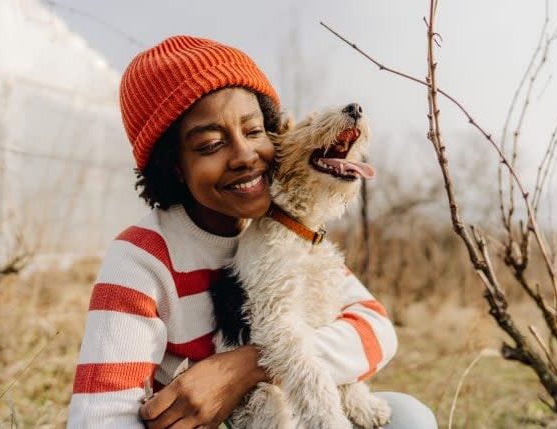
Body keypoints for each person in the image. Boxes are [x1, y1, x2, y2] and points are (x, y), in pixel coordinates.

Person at [66, 35, 437, 429]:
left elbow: (378, 329)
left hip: (288, 413)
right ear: (173, 165)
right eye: (210, 144)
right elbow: (99, 417)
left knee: (409, 415)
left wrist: (243, 366)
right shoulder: (142, 257)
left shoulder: (286, 229)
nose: (245, 156)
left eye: (255, 131)